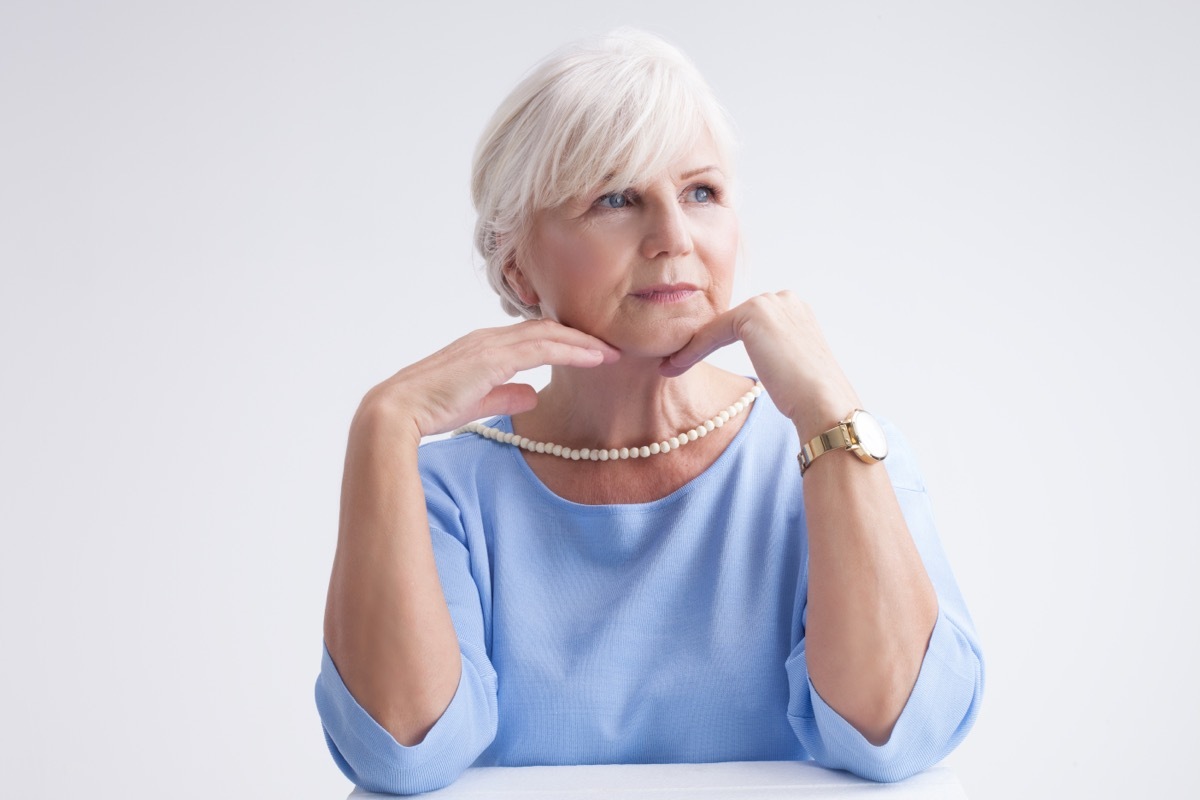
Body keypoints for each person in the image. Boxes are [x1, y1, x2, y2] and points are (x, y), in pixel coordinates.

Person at [315, 28, 983, 796]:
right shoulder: (446, 492)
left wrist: (829, 408)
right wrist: (384, 424)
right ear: (519, 267)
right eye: (617, 198)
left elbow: (893, 733)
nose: (674, 238)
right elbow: (401, 754)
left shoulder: (838, 454)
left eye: (702, 193)